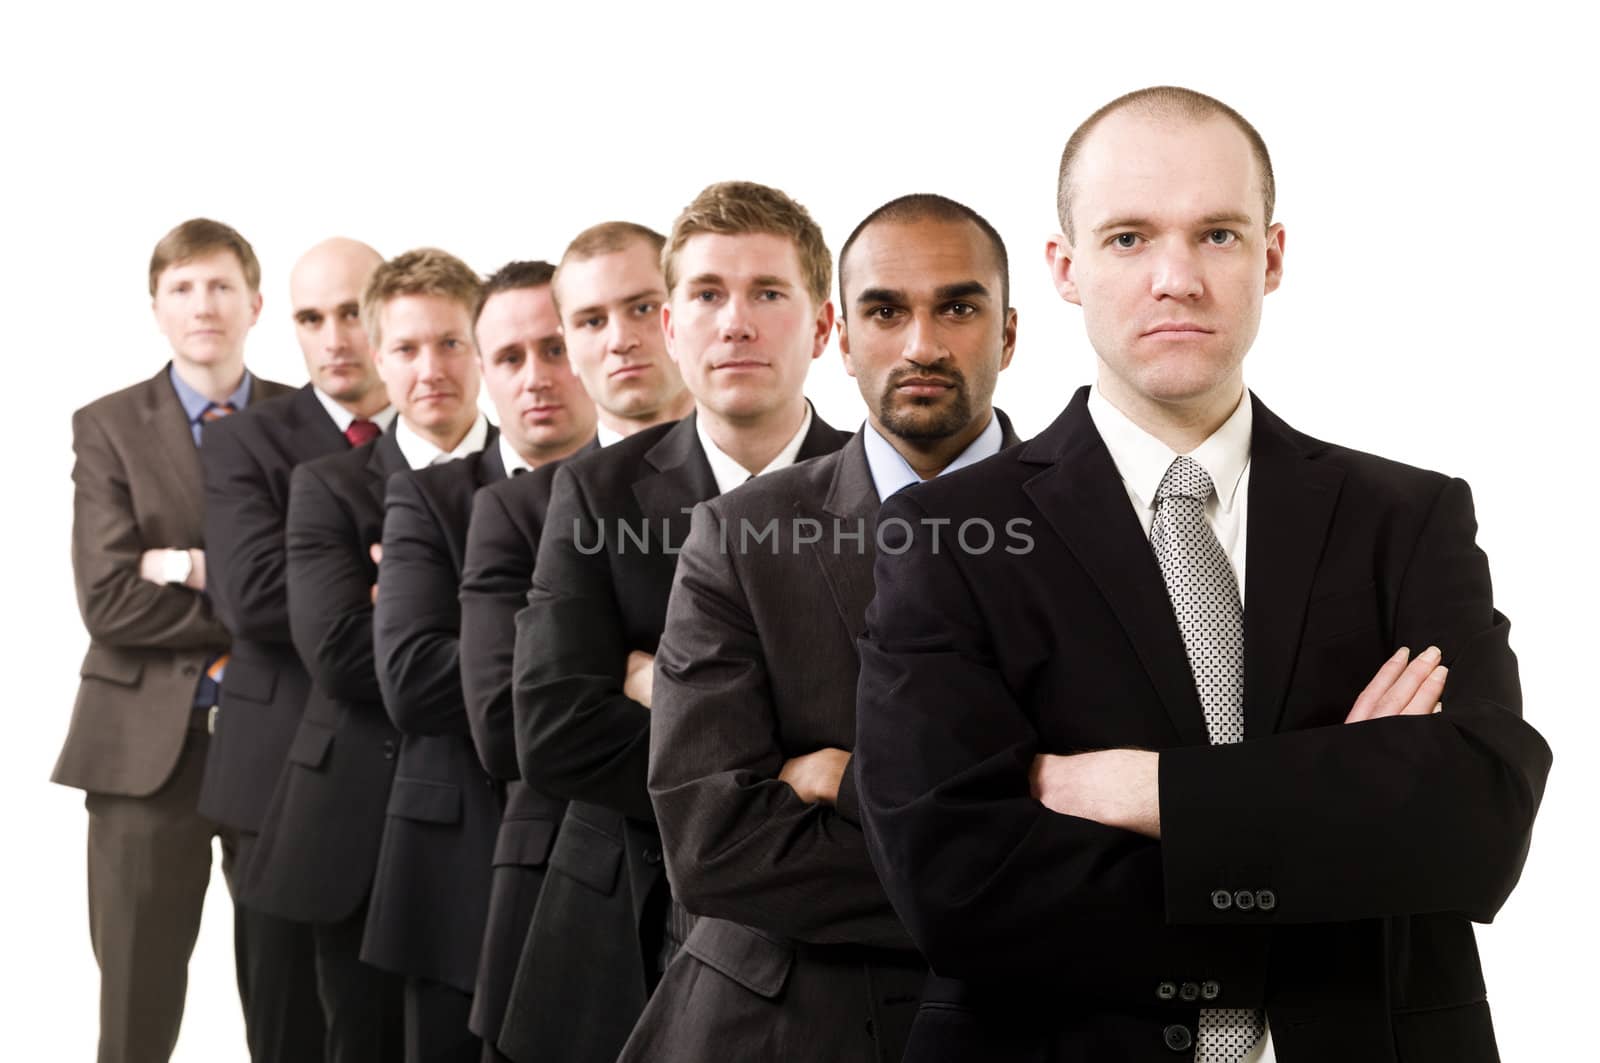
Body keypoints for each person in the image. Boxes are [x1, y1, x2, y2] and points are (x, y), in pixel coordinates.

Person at [853, 86, 1552, 1062]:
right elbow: (958, 886)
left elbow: (1475, 822)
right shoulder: (945, 534)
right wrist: (1331, 808)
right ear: (1065, 267)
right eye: (1129, 238)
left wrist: (1164, 796)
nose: (1174, 278)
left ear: (1270, 256)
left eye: (1216, 236)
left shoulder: (1405, 517)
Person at [625, 193, 1021, 1063]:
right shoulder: (738, 534)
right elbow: (710, 841)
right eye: (885, 311)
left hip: (1036, 1026)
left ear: (1010, 333)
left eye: (957, 307)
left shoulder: (1098, 520)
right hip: (783, 1025)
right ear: (842, 336)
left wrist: (847, 785)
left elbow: (1137, 829)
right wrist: (1018, 882)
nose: (921, 344)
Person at [508, 181, 850, 1063]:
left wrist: (661, 685)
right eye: (705, 294)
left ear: (821, 328)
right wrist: (779, 763)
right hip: (621, 919)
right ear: (672, 326)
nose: (735, 322)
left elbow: (892, 732)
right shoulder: (595, 490)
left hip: (818, 946)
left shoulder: (888, 494)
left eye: (768, 293)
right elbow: (552, 729)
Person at [54, 218, 292, 1062]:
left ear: (256, 302)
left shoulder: (302, 424)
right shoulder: (109, 424)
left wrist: (190, 565)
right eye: (183, 288)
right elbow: (111, 600)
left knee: (292, 996)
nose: (204, 305)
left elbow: (319, 590)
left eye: (221, 285)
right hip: (146, 750)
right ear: (155, 307)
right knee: (136, 1001)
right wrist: (257, 594)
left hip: (279, 742)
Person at [245, 248, 489, 1063]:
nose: (430, 369)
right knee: (361, 1042)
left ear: (482, 344)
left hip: (489, 815)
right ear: (380, 358)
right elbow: (345, 654)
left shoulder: (538, 476)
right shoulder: (330, 485)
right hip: (354, 818)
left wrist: (411, 603)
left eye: (451, 342)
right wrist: (496, 613)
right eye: (408, 348)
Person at [459, 223, 692, 1063]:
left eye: (643, 306)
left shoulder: (814, 481)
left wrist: (643, 678)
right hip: (580, 898)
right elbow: (512, 723)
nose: (620, 338)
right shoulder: (523, 510)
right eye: (590, 320)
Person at [371, 259, 595, 1063]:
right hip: (458, 857)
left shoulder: (658, 488)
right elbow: (408, 678)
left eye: (557, 347)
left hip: (612, 856)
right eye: (509, 357)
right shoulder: (433, 498)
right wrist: (599, 659)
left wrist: (507, 644)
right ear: (485, 370)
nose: (536, 378)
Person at [200, 236, 393, 1063]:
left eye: (352, 311)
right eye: (312, 318)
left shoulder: (450, 431)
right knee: (286, 1032)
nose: (334, 337)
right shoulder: (247, 441)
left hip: (408, 777)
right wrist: (402, 590)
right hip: (275, 772)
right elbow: (249, 596)